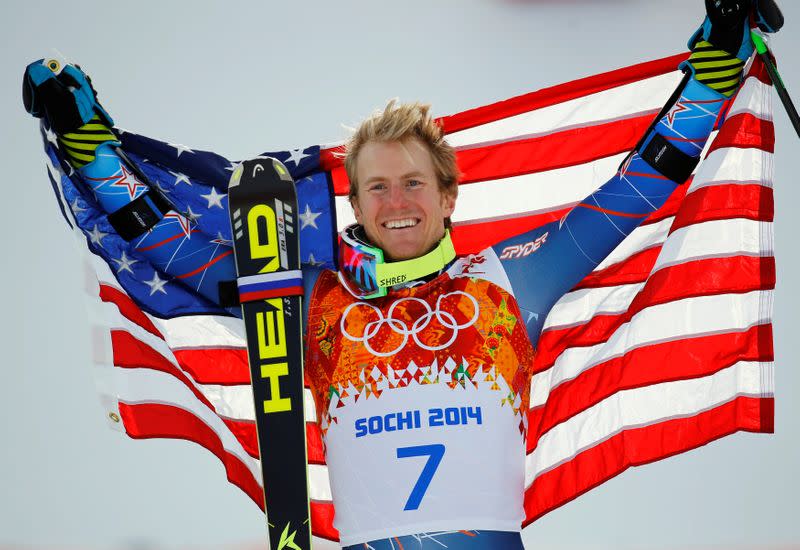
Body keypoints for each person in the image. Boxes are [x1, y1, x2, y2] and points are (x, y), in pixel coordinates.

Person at [21, 1, 783, 548]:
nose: (397, 202)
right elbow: (177, 253)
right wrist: (92, 150)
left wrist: (711, 78)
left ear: (448, 195)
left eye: (414, 182)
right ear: (354, 202)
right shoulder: (319, 302)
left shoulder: (506, 282)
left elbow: (635, 190)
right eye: (377, 187)